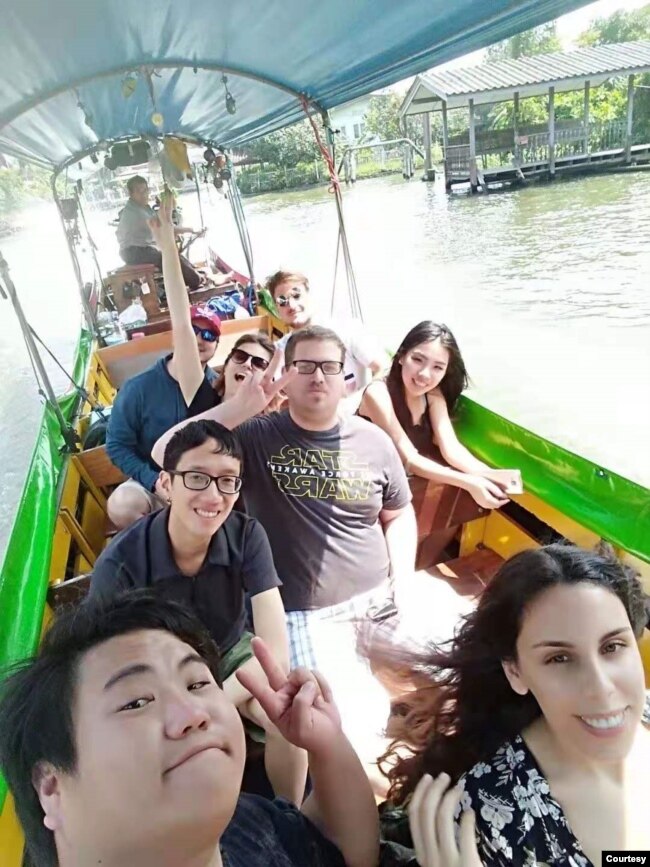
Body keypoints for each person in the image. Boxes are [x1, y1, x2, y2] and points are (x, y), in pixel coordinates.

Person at [152, 325, 417, 783]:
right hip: (306, 614)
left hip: (383, 598)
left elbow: (399, 513)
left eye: (329, 367)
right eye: (304, 366)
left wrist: (405, 582)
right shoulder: (255, 437)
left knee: (468, 663)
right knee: (345, 730)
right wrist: (238, 408)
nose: (318, 376)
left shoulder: (373, 441)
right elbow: (163, 452)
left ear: (346, 378)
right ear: (286, 376)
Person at [0, 592, 380, 867]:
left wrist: (327, 745)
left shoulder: (245, 826)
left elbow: (340, 847)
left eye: (197, 683)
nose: (192, 713)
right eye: (136, 702)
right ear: (51, 787)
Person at [379, 544, 650, 866]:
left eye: (613, 646)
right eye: (559, 658)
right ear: (515, 672)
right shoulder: (487, 817)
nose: (601, 688)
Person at [91, 419, 307, 803]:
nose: (213, 495)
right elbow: (108, 665)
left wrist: (214, 695)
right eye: (197, 477)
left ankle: (289, 820)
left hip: (229, 654)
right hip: (161, 672)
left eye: (228, 480)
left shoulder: (246, 535)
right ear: (166, 484)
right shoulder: (121, 563)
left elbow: (274, 652)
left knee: (286, 712)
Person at [358, 321, 510, 513]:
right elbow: (409, 459)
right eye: (418, 359)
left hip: (402, 485)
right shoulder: (378, 393)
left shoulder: (432, 395)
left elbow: (451, 448)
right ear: (401, 356)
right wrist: (470, 482)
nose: (424, 375)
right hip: (365, 484)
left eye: (438, 367)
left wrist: (488, 475)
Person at [149, 199, 276, 407]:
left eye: (260, 363)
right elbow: (181, 322)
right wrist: (168, 247)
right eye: (240, 356)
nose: (247, 365)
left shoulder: (271, 425)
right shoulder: (204, 403)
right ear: (225, 368)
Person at [105, 302, 221, 530]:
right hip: (154, 482)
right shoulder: (138, 388)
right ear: (177, 335)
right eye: (191, 331)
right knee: (122, 505)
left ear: (216, 345)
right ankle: (157, 543)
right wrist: (153, 481)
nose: (199, 339)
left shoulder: (218, 388)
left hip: (205, 485)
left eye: (209, 335)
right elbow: (117, 446)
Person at [267, 269, 385, 394]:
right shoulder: (278, 353)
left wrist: (360, 403)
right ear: (277, 308)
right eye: (282, 301)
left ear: (310, 296)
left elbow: (383, 369)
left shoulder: (347, 329)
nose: (291, 305)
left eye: (296, 295)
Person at [116, 175, 203, 291]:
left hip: (141, 248)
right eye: (139, 191)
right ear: (131, 194)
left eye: (145, 190)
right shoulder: (136, 213)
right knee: (167, 256)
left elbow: (162, 221)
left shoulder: (143, 207)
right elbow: (164, 228)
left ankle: (196, 274)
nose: (144, 194)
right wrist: (191, 230)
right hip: (133, 252)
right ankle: (195, 281)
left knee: (172, 253)